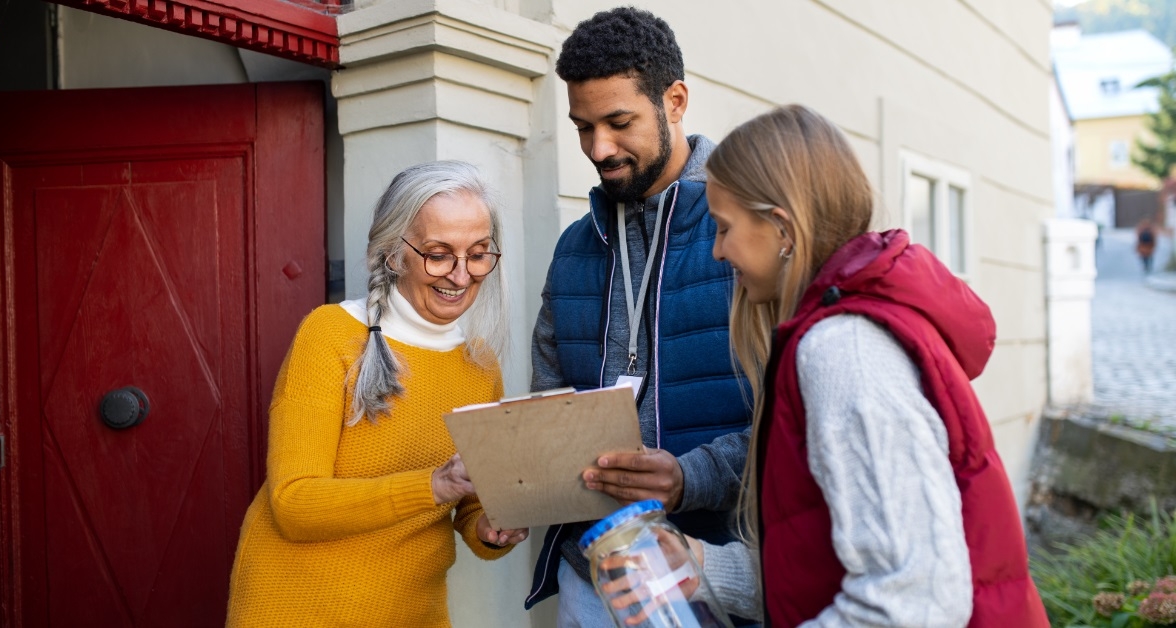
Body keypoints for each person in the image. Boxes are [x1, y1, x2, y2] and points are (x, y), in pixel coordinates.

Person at [683, 104, 1049, 626]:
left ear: (782, 228)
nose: (717, 251)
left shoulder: (844, 351)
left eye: (723, 227)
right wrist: (704, 567)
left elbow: (913, 600)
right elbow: (821, 562)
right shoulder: (840, 332)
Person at [226, 161, 528, 627]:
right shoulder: (328, 335)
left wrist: (491, 529)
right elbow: (293, 505)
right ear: (393, 254)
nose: (462, 275)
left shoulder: (480, 364)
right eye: (439, 253)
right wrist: (432, 485)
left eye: (479, 253)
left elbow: (469, 507)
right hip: (296, 608)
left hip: (412, 613)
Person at [524, 7, 752, 626]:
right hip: (591, 573)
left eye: (619, 122)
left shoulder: (747, 230)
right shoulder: (575, 247)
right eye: (582, 127)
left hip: (718, 571)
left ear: (674, 101)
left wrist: (688, 478)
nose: (599, 148)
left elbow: (792, 419)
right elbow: (550, 401)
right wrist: (513, 487)